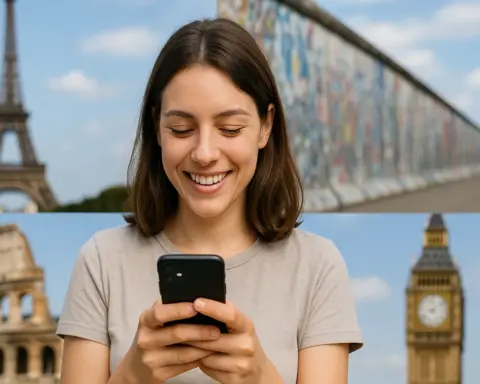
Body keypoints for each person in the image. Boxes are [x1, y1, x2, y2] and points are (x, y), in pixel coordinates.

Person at [57, 18, 363, 384]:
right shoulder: (100, 262)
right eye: (181, 130)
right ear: (157, 128)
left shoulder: (318, 267)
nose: (204, 153)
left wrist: (261, 378)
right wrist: (133, 375)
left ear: (266, 126)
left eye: (230, 129)